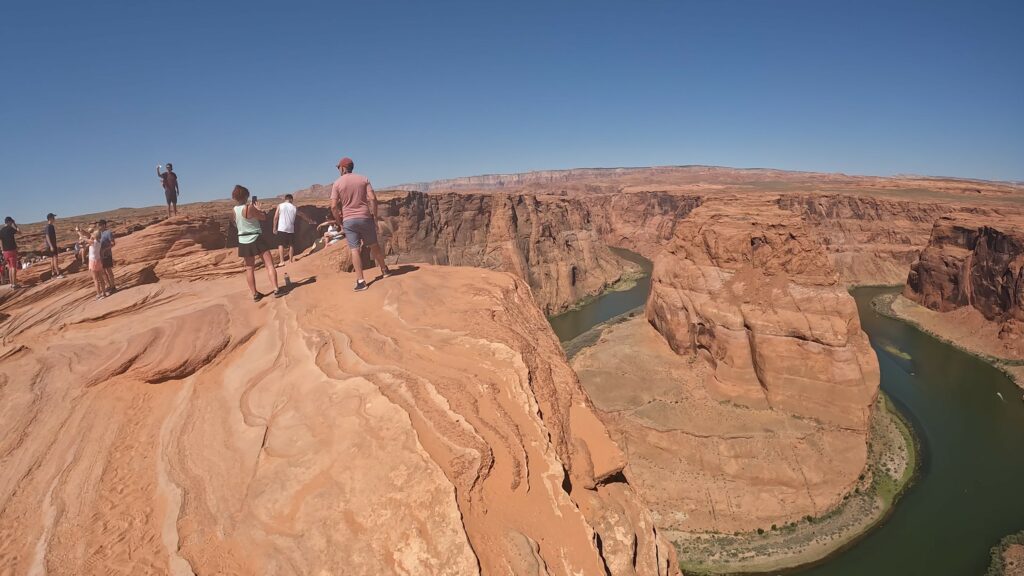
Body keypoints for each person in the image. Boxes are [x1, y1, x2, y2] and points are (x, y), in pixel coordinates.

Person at [330, 157, 390, 291]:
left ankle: (361, 281)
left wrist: (340, 223)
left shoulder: (337, 183)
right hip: (365, 217)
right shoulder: (363, 179)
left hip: (349, 221)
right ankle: (385, 270)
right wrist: (374, 216)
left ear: (343, 168)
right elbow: (373, 198)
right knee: (374, 245)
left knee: (354, 250)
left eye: (339, 167)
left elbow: (333, 207)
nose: (338, 170)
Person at [232, 185, 283, 301]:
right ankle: (276, 289)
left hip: (243, 240)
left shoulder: (234, 210)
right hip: (256, 238)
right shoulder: (249, 207)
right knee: (269, 264)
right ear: (246, 196)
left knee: (249, 268)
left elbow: (235, 223)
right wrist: (259, 210)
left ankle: (255, 294)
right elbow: (263, 217)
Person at [273, 194, 315, 266]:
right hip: (290, 228)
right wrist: (309, 220)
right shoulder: (294, 207)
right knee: (291, 245)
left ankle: (282, 261)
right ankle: (290, 260)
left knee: (281, 244)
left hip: (281, 228)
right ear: (291, 199)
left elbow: (276, 217)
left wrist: (274, 228)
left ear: (285, 199)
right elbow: (302, 215)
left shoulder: (280, 205)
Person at [0, 217, 22, 289]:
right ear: (9, 222)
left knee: (9, 267)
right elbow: (19, 232)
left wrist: (2, 250)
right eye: (11, 222)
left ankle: (11, 284)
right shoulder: (10, 228)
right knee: (13, 268)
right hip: (12, 250)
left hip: (5, 252)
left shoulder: (1, 230)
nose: (11, 223)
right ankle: (14, 284)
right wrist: (15, 224)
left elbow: (1, 241)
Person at [97, 219, 117, 295]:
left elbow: (113, 243)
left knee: (109, 271)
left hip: (107, 255)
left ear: (104, 225)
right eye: (98, 225)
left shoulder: (108, 233)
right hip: (101, 256)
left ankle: (113, 286)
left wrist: (105, 249)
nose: (99, 226)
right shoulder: (99, 234)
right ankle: (108, 286)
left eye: (100, 225)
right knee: (103, 272)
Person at [87, 229, 108, 299]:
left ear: (95, 235)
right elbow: (90, 240)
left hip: (93, 262)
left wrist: (78, 232)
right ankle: (104, 293)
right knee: (101, 279)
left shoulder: (93, 242)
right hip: (98, 261)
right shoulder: (99, 242)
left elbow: (85, 239)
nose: (91, 234)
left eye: (93, 234)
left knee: (95, 279)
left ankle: (98, 294)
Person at [44, 213, 64, 279]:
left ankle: (53, 274)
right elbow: (47, 236)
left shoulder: (51, 226)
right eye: (53, 217)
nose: (54, 219)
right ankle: (58, 273)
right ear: (50, 218)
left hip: (51, 245)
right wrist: (51, 246)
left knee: (52, 259)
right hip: (51, 245)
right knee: (55, 258)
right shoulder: (49, 226)